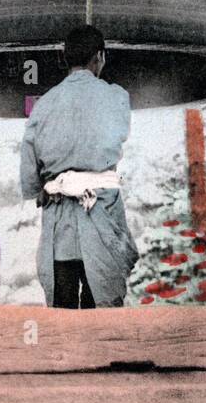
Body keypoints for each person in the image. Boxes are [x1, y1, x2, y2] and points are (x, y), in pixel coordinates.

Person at [21, 25, 138, 308]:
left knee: (62, 311)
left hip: (60, 220)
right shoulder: (117, 97)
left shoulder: (44, 104)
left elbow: (29, 163)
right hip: (102, 216)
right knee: (102, 306)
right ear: (99, 57)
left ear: (64, 58)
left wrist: (40, 188)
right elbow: (118, 136)